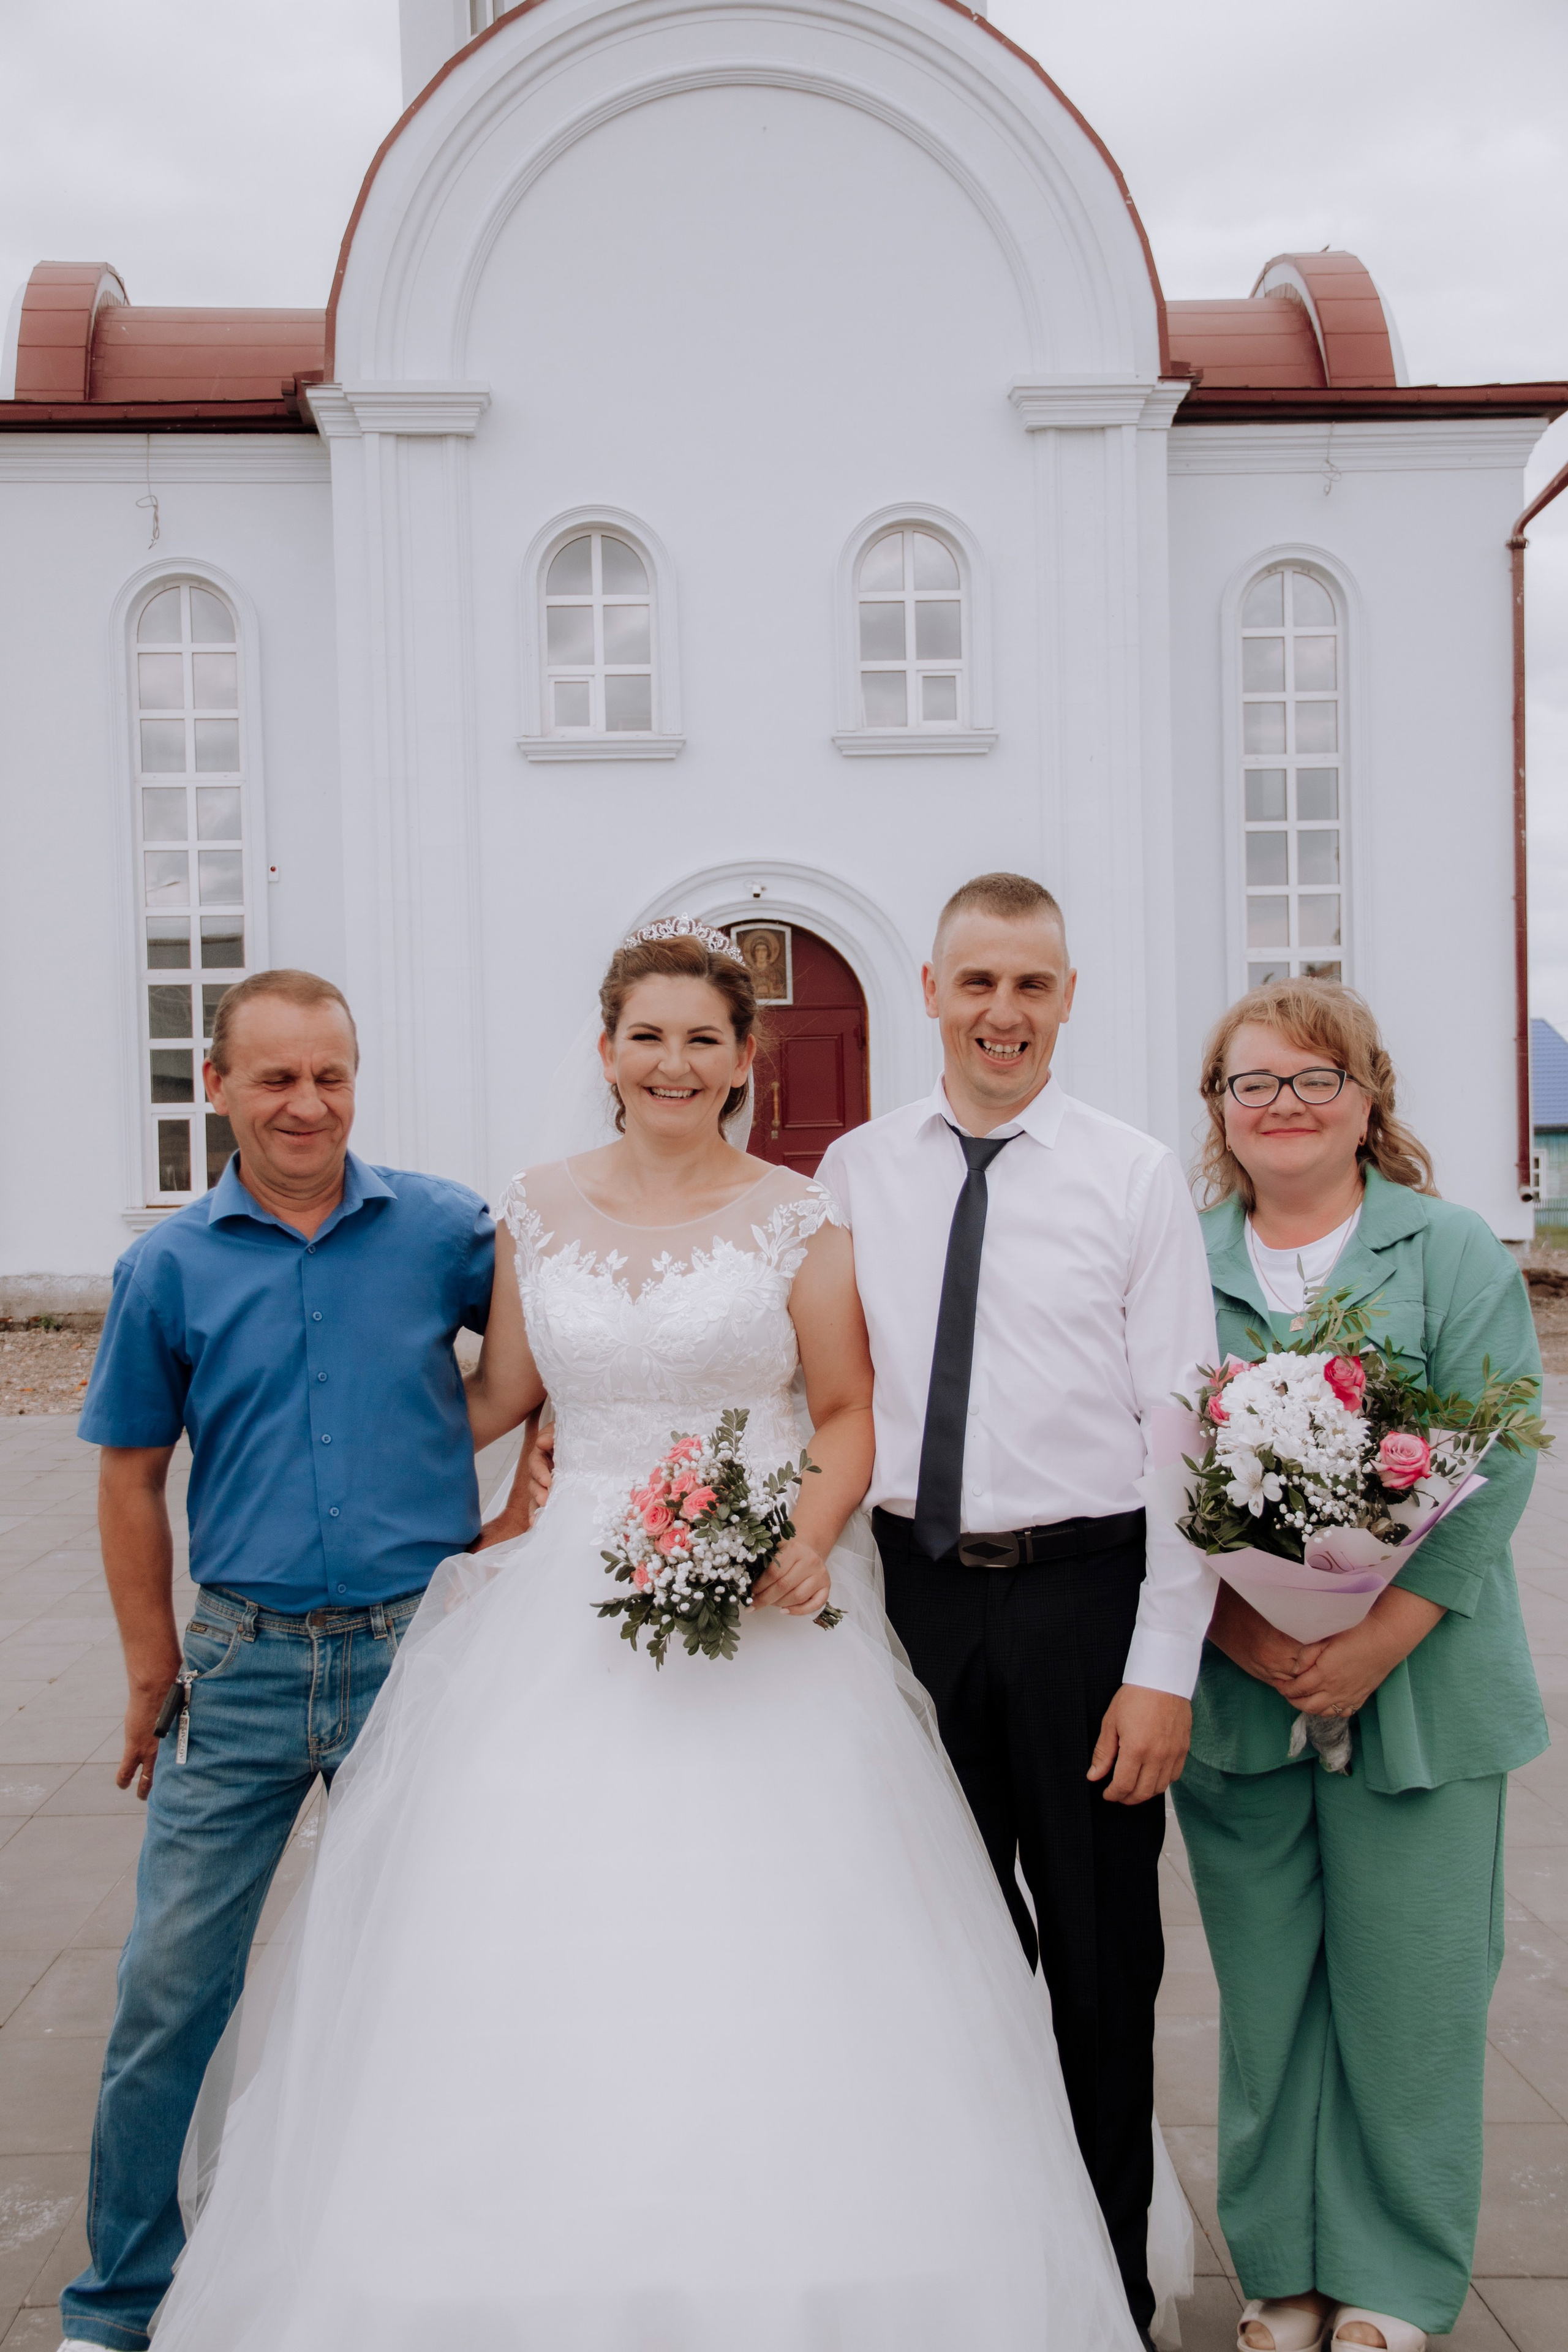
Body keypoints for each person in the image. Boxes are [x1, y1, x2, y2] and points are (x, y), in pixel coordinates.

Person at [149, 919, 1145, 2352]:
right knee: (515, 1943)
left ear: (743, 1059)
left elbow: (846, 1410)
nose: (672, 1063)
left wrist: (796, 1540)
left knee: (793, 1950)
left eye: (702, 1038)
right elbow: (491, 1398)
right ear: (605, 1050)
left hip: (761, 1617)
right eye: (647, 1036)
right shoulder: (535, 1210)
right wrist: (315, 1433)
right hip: (563, 1611)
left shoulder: (799, 1215)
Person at [60, 971, 496, 2352]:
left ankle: (432, 2270)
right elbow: (132, 1480)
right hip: (238, 1669)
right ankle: (118, 2302)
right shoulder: (168, 1267)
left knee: (432, 1981)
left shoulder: (440, 1231)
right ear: (219, 1089)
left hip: (414, 1662)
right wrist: (148, 1669)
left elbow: (567, 1362)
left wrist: (516, 1491)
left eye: (330, 1076)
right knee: (169, 1988)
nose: (306, 1105)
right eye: (275, 1080)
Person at [816, 873, 1219, 2347]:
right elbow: (815, 1384)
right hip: (911, 1601)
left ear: (1065, 998)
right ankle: (971, 2271)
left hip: (1084, 1600)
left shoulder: (1130, 1175)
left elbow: (1181, 1428)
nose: (1002, 1014)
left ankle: (1103, 2290)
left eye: (1031, 987)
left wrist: (1163, 1661)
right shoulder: (852, 1173)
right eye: (976, 982)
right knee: (939, 1952)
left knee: (1105, 1971)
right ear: (927, 987)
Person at [1171, 979, 1549, 2352]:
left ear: (1366, 1095)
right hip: (1239, 1695)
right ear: (1215, 1108)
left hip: (1423, 1697)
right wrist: (1246, 1633)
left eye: (1309, 1080)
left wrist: (1376, 1638)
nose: (1279, 1106)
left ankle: (1390, 2285)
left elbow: (1496, 1457)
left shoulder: (1444, 1250)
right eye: (1248, 1082)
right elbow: (1142, 1469)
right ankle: (1278, 2270)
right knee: (1266, 2005)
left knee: (1409, 2003)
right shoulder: (1178, 1259)